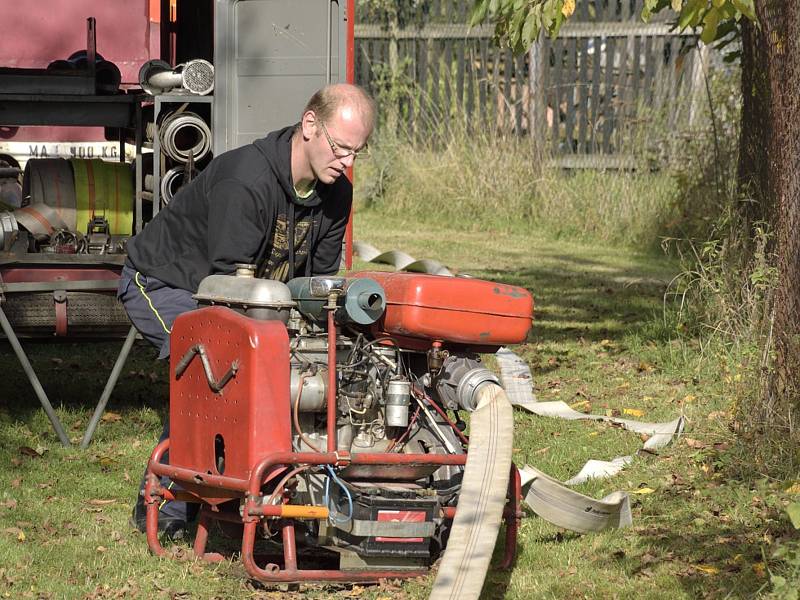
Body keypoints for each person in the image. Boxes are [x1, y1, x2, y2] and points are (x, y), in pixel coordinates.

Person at [120, 83, 376, 538]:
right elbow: (222, 294)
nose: (348, 162)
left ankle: (284, 499)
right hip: (167, 283)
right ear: (310, 126)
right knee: (206, 370)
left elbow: (317, 290)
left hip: (251, 299)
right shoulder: (247, 180)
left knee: (310, 366)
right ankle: (165, 509)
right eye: (341, 149)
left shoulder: (336, 195)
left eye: (358, 152)